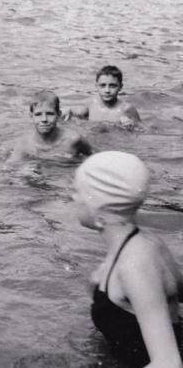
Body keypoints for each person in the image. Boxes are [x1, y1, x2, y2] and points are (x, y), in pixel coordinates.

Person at [74, 151, 183, 366]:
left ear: (98, 204)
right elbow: (177, 293)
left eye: (77, 191)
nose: (73, 198)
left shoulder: (135, 264)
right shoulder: (144, 243)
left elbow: (168, 363)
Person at [7, 91, 93, 164]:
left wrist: (73, 161)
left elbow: (94, 158)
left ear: (58, 115)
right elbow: (9, 169)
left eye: (50, 114)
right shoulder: (25, 144)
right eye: (38, 114)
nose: (44, 119)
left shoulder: (73, 139)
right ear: (31, 116)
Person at [62, 65, 141, 126]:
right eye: (103, 85)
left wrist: (131, 127)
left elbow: (142, 130)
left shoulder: (126, 109)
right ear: (96, 86)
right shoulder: (92, 103)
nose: (107, 90)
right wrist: (69, 110)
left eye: (112, 86)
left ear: (120, 87)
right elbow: (76, 112)